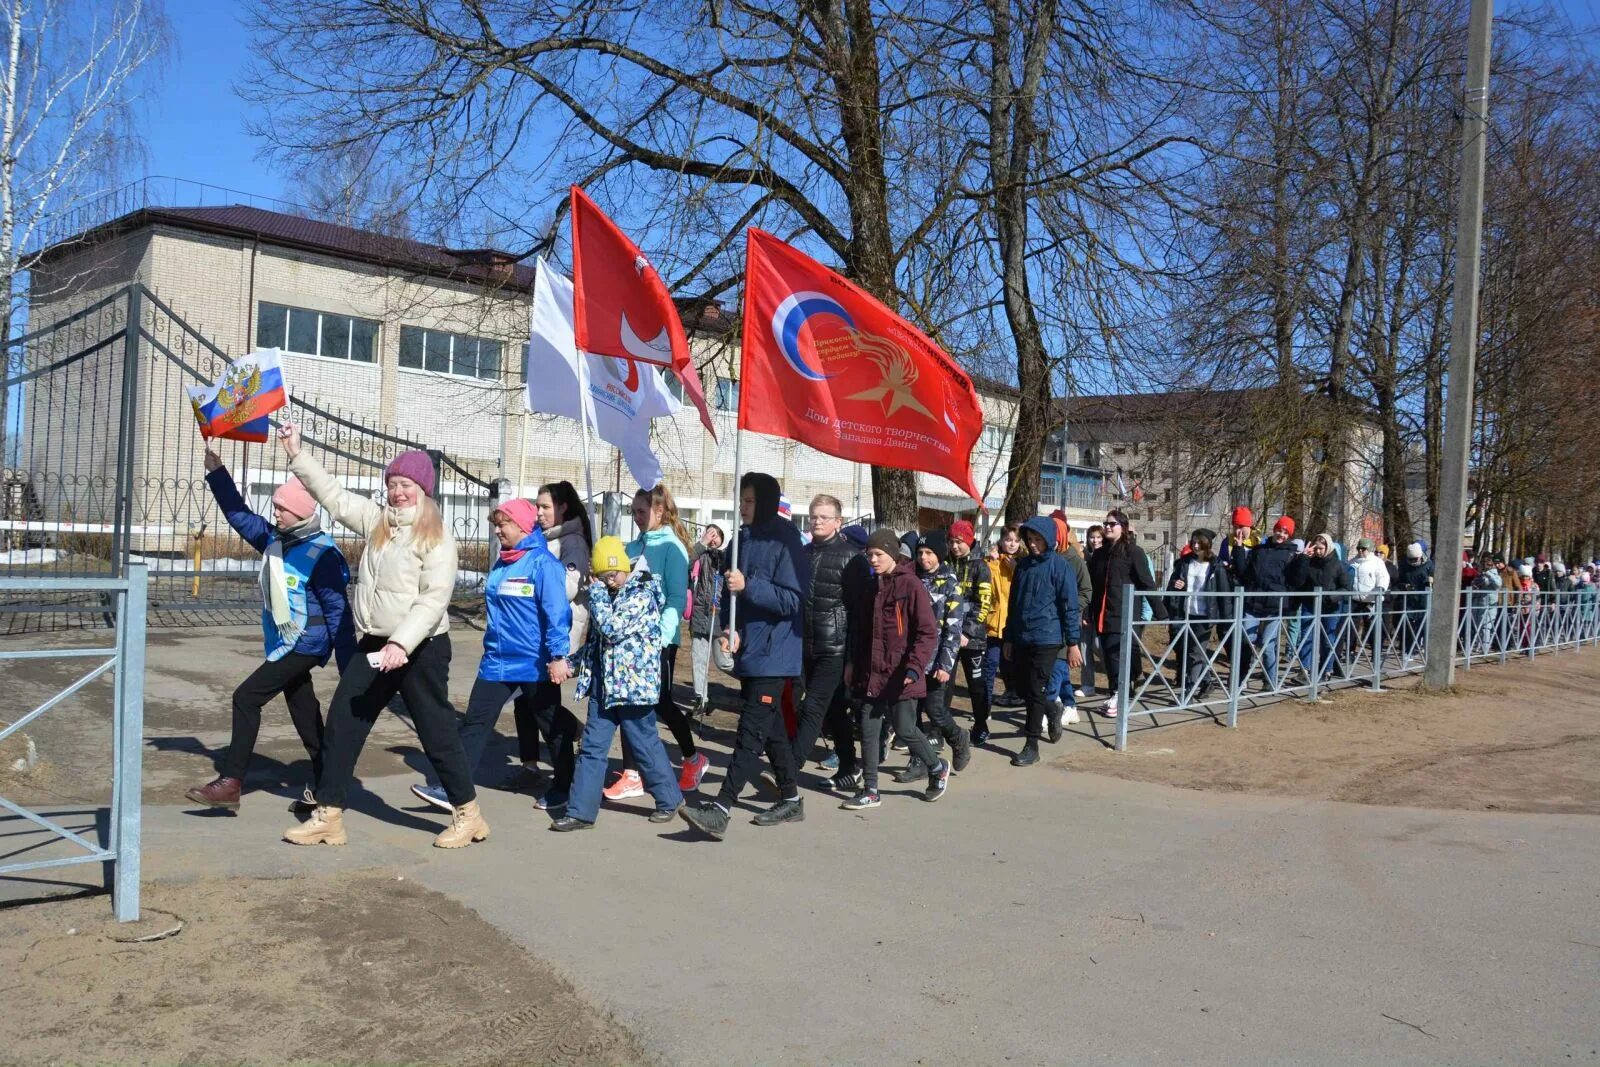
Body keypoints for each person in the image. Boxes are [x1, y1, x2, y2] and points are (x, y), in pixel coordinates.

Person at [275, 426, 485, 849]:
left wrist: (400, 644)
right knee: (343, 723)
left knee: (436, 731)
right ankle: (329, 815)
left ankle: (469, 815)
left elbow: (434, 600)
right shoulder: (378, 522)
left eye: (405, 484)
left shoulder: (438, 536)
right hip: (374, 644)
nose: (397, 492)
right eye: (392, 484)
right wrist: (297, 455)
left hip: (420, 648)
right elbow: (333, 496)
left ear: (422, 489)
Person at [184, 445, 354, 811]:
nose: (275, 513)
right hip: (284, 641)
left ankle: (231, 783)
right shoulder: (276, 539)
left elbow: (339, 612)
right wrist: (218, 473)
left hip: (306, 643)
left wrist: (349, 670)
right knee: (303, 709)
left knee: (246, 698)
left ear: (301, 513)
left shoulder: (323, 555)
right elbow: (239, 516)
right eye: (275, 507)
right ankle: (329, 780)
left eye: (282, 508)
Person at [408, 499, 576, 815]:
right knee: (475, 722)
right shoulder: (502, 563)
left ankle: (564, 788)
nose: (498, 530)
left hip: (533, 663)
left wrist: (557, 656)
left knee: (551, 725)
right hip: (496, 661)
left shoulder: (543, 566)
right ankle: (454, 791)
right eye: (496, 525)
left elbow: (557, 615)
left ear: (524, 526)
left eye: (504, 524)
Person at [679, 472, 811, 840]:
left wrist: (750, 586)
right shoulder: (743, 539)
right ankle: (792, 798)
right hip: (749, 650)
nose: (743, 507)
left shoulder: (787, 542)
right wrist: (728, 629)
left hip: (776, 652)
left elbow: (792, 599)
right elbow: (728, 594)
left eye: (750, 501)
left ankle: (721, 809)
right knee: (771, 732)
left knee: (750, 733)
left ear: (767, 502)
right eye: (742, 500)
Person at [551, 538, 683, 831]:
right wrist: (570, 665)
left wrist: (596, 591)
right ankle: (580, 811)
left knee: (644, 744)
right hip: (604, 687)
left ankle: (669, 798)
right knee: (592, 749)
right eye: (603, 576)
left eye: (614, 574)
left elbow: (612, 629)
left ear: (625, 568)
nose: (610, 581)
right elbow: (596, 644)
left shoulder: (642, 595)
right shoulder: (605, 597)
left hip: (633, 688)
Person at [605, 484, 706, 800]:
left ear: (659, 511)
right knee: (631, 701)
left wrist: (661, 637)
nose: (636, 517)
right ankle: (633, 774)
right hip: (627, 640)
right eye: (633, 511)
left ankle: (692, 759)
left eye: (642, 511)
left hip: (659, 640)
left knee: (658, 701)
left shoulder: (672, 548)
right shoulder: (632, 548)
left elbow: (677, 597)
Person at [840, 528, 943, 808]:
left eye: (879, 554)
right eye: (869, 554)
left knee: (905, 729)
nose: (873, 559)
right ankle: (871, 789)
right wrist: (851, 662)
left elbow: (927, 632)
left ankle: (936, 768)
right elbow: (861, 631)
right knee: (869, 728)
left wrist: (914, 668)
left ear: (893, 555)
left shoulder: (911, 586)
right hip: (871, 671)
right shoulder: (870, 586)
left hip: (902, 674)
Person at [512, 480, 593, 781]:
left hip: (558, 630)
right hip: (532, 631)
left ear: (562, 508)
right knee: (526, 698)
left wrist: (532, 583)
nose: (539, 512)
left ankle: (572, 742)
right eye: (537, 505)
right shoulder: (540, 538)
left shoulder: (573, 542)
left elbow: (568, 587)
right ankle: (530, 764)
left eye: (545, 506)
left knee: (541, 702)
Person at [791, 495, 869, 792]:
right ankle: (850, 767)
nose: (817, 522)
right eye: (813, 516)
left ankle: (788, 769)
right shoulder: (802, 553)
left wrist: (852, 658)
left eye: (824, 517)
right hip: (803, 645)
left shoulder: (853, 558)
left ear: (838, 521)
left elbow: (860, 613)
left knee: (813, 707)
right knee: (834, 711)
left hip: (834, 649)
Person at [895, 528, 970, 783]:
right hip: (912, 659)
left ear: (940, 554)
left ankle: (958, 738)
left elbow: (953, 628)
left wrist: (946, 664)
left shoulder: (950, 583)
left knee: (935, 710)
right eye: (920, 553)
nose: (924, 558)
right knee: (912, 714)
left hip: (937, 659)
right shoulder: (910, 577)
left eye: (929, 553)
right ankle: (917, 761)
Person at [1086, 508, 1164, 718]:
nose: (1108, 527)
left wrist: (1162, 614)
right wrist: (1088, 612)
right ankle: (1117, 693)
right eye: (1106, 524)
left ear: (1123, 527)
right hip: (1103, 614)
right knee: (1108, 656)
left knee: (1117, 655)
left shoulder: (1133, 552)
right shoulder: (1099, 554)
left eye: (1112, 524)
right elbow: (1093, 586)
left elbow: (1147, 583)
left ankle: (1119, 695)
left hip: (1126, 614)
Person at [1164, 528, 1231, 700]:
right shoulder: (1184, 563)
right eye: (1192, 542)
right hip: (1185, 613)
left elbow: (1224, 594)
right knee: (1190, 652)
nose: (1195, 546)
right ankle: (1207, 683)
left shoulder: (1216, 566)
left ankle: (1188, 693)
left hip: (1205, 616)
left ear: (1207, 544)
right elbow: (1173, 583)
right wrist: (1176, 584)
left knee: (1195, 653)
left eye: (1199, 543)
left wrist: (1227, 619)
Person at [947, 519, 994, 744]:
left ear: (970, 541)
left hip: (972, 640)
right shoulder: (947, 564)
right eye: (952, 541)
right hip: (948, 636)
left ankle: (981, 723)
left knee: (976, 684)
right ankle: (940, 728)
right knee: (944, 683)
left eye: (959, 542)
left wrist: (967, 632)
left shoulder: (981, 567)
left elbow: (983, 604)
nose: (955, 546)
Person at [1288, 533, 1351, 681]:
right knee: (1306, 636)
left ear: (1328, 547)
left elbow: (1346, 587)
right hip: (1310, 605)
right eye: (1316, 548)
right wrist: (1303, 558)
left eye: (1321, 548)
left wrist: (1332, 596)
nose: (1318, 551)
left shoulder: (1337, 565)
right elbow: (1299, 580)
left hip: (1330, 607)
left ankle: (1326, 669)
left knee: (1327, 639)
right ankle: (1304, 670)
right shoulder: (1309, 562)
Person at [687, 524, 726, 715]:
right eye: (710, 533)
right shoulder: (700, 554)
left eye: (717, 534)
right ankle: (701, 698)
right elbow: (687, 559)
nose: (713, 537)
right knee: (699, 658)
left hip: (719, 614)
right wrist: (702, 544)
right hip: (700, 612)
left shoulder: (726, 556)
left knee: (723, 660)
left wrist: (720, 553)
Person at [987, 525, 1026, 714]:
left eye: (1016, 541)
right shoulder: (993, 560)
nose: (1012, 544)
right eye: (1008, 540)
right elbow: (990, 584)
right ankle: (986, 703)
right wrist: (993, 561)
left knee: (1013, 662)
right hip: (995, 620)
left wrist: (1017, 569)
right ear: (1001, 540)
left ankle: (1015, 692)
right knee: (994, 663)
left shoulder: (1023, 562)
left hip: (1015, 622)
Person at [1349, 537, 1390, 652]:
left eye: (1364, 549)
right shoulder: (1352, 561)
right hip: (1355, 599)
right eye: (1359, 548)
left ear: (1370, 549)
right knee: (1352, 627)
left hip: (1371, 600)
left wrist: (1380, 588)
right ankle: (1350, 651)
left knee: (1372, 627)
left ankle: (1375, 653)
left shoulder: (1377, 562)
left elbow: (1383, 577)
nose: (1361, 551)